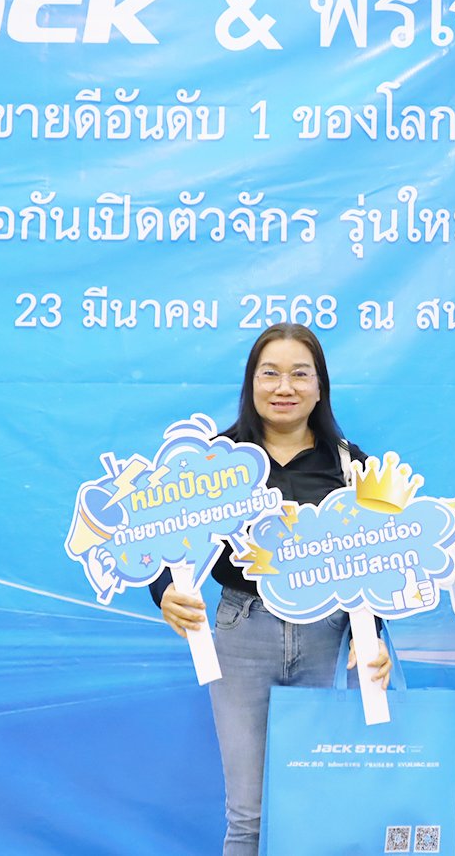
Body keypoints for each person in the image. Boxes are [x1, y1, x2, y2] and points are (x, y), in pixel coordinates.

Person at [150, 323, 391, 856]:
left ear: (320, 387)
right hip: (243, 633)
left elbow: (378, 559)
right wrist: (164, 591)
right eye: (270, 374)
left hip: (328, 633)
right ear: (251, 383)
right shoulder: (214, 460)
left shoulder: (351, 466)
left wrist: (372, 635)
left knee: (315, 808)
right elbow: (156, 538)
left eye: (300, 374)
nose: (285, 387)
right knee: (249, 815)